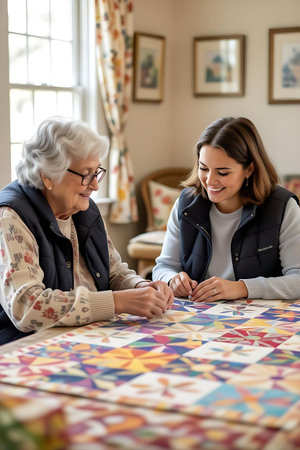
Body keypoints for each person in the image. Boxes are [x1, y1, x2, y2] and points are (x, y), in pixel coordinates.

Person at [0, 116, 174, 344]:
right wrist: (118, 302)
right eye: (86, 175)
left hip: (89, 335)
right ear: (49, 175)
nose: (95, 185)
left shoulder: (83, 207)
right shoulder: (11, 218)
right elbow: (27, 306)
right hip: (30, 347)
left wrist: (142, 287)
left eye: (97, 172)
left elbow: (114, 272)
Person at [153, 116, 300, 301]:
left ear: (249, 169)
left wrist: (242, 288)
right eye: (203, 168)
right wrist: (171, 279)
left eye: (222, 172)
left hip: (260, 321)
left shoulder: (283, 207)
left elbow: (297, 279)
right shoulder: (186, 205)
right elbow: (162, 267)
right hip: (198, 318)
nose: (210, 180)